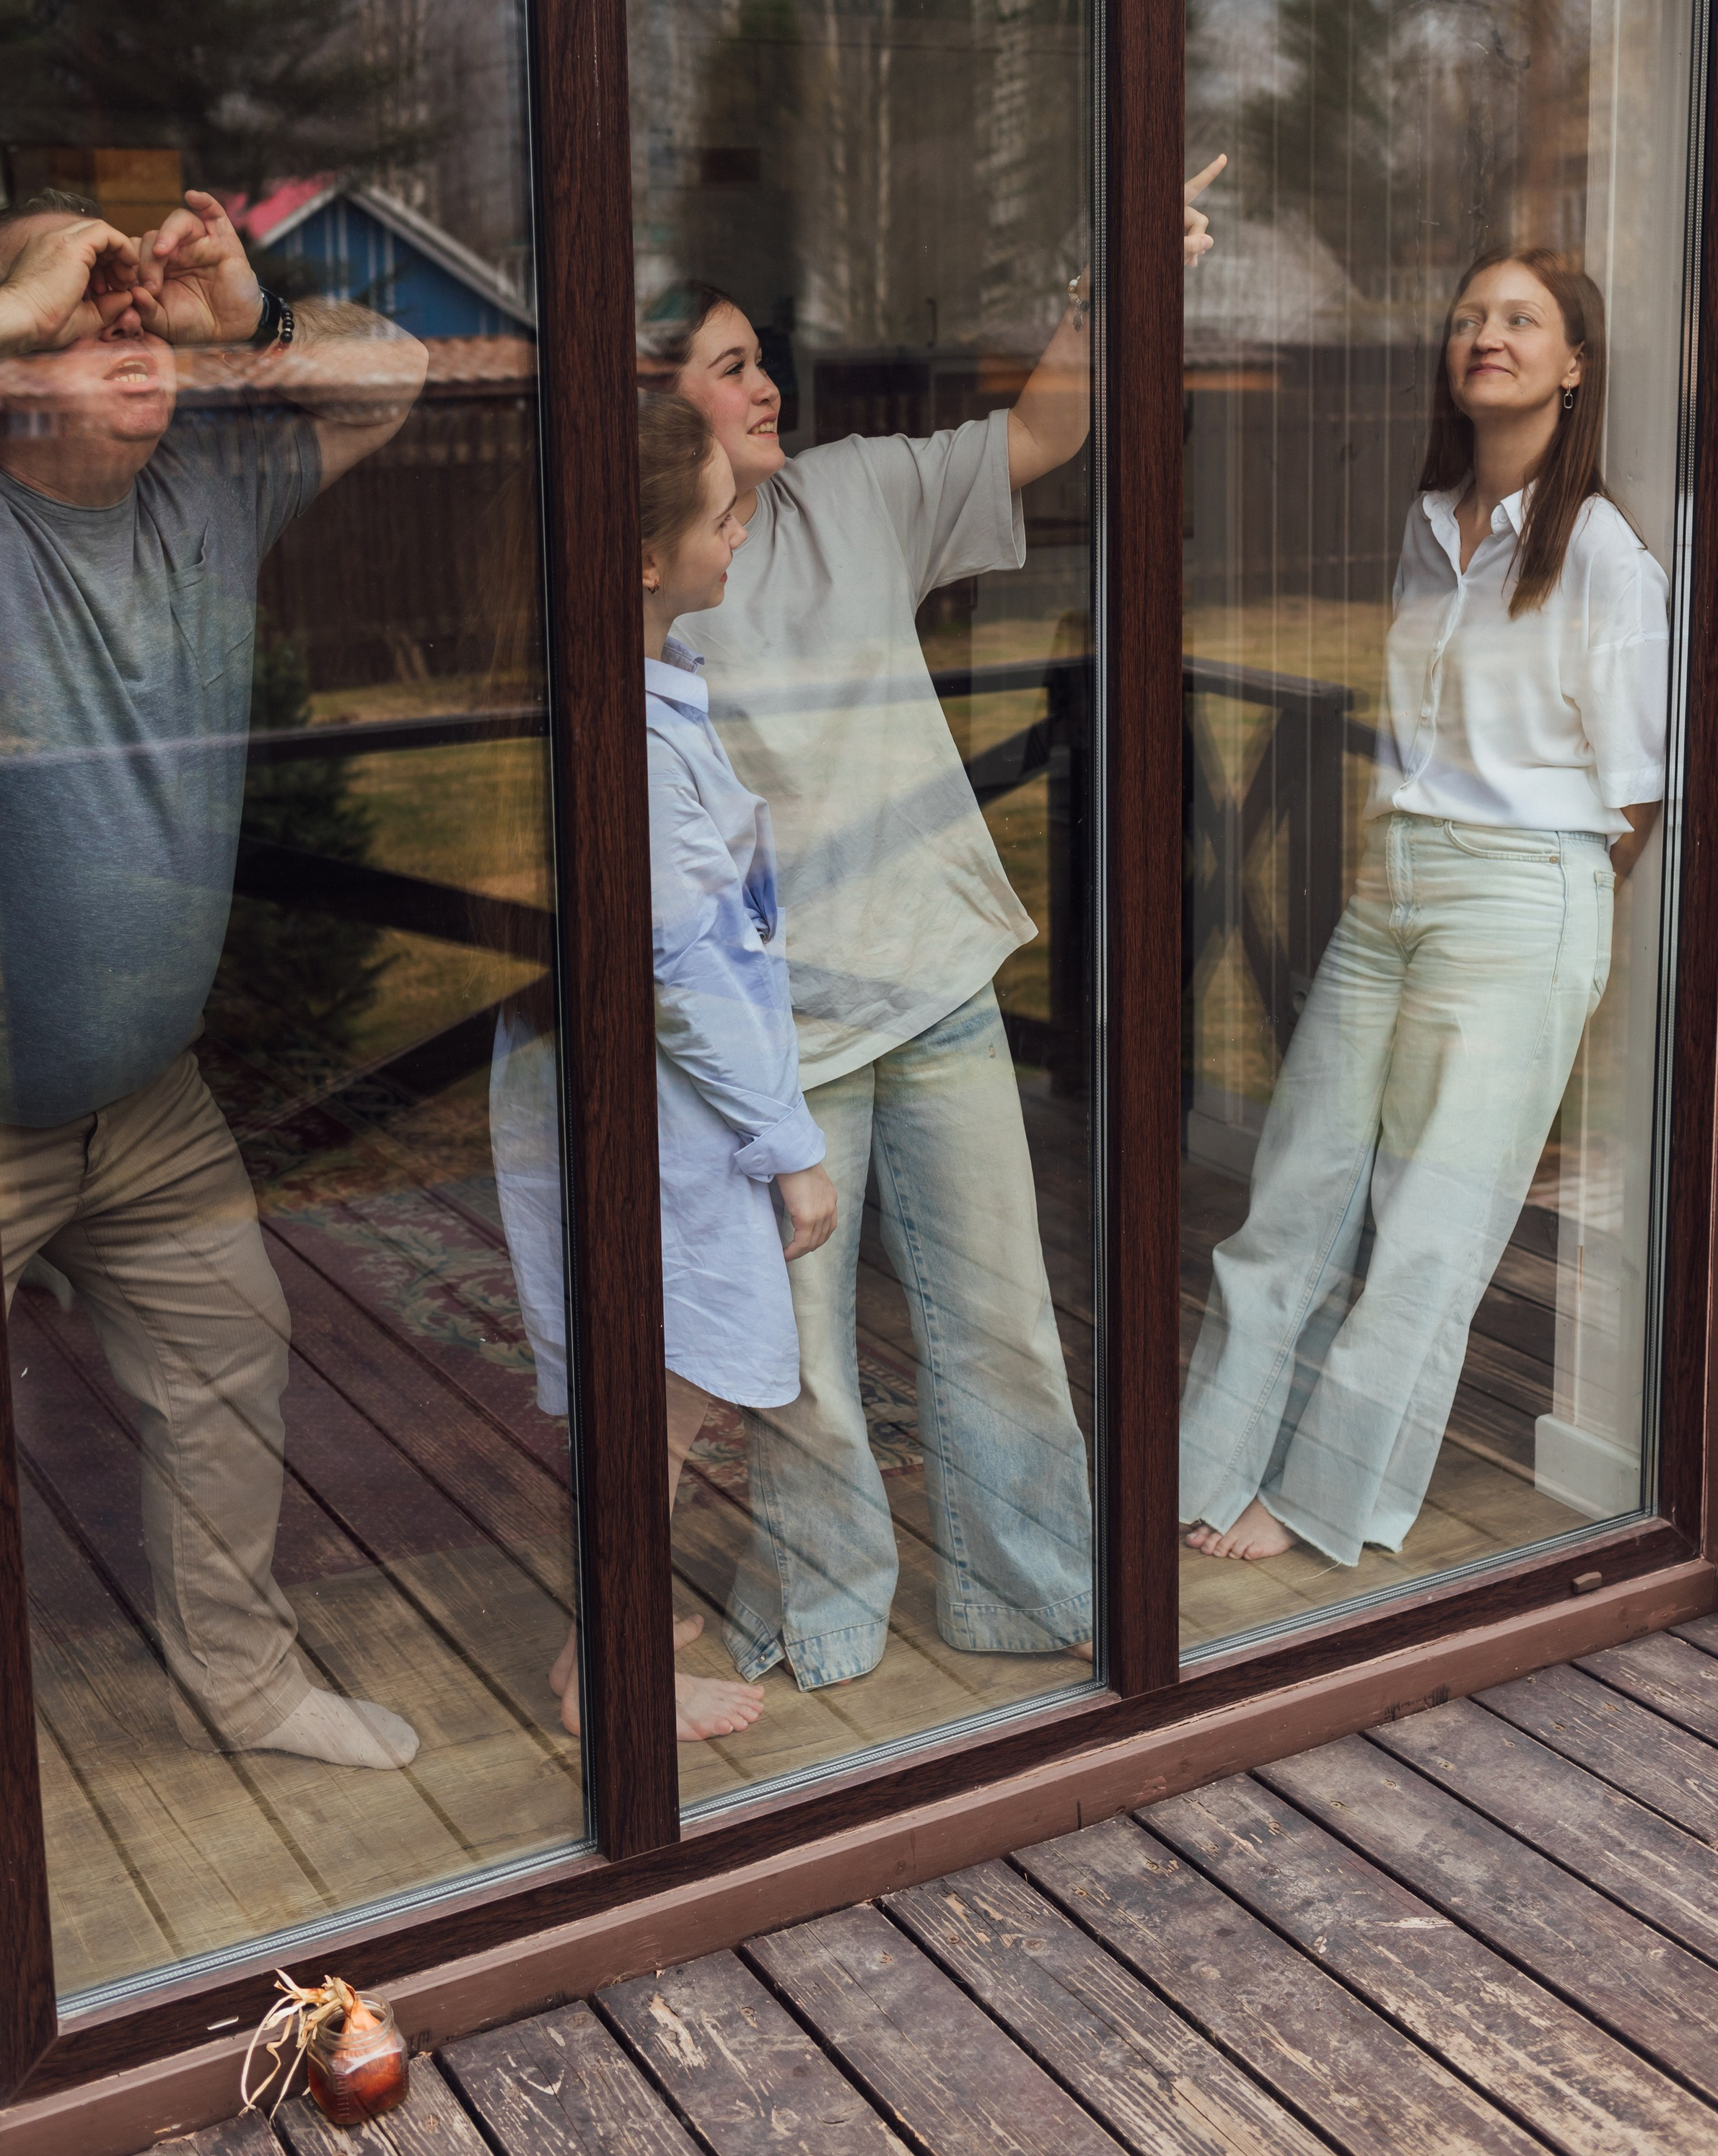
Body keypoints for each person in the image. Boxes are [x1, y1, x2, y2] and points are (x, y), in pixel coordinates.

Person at [650, 163, 1225, 1693]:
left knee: (1001, 1325)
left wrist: (1110, 282)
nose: (765, 383)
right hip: (784, 1050)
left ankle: (1030, 1594)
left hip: (939, 986)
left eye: (757, 355)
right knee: (803, 1376)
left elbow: (1045, 426)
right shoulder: (652, 581)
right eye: (728, 369)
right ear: (660, 411)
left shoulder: (851, 493)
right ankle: (827, 1625)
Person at [0, 185, 431, 1768]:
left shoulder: (205, 485)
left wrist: (248, 319)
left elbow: (400, 373)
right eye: (77, 306)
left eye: (129, 294)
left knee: (231, 1366)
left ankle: (247, 1684)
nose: (123, 314)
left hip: (149, 1103)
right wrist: (13, 316)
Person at [1180, 250, 1667, 1570]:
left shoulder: (1607, 558)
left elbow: (1636, 796)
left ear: (1575, 367)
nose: (1485, 336)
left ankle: (1323, 1499)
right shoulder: (1430, 522)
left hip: (1519, 896)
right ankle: (1207, 1463)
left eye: (1520, 320)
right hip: (1390, 884)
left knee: (1427, 1235)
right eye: (1468, 318)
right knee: (1293, 1192)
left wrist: (1532, 924)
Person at [496, 395, 840, 1740]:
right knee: (666, 1398)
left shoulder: (627, 687)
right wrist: (792, 1151)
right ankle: (609, 1675)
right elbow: (693, 969)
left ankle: (616, 1611)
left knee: (652, 1384)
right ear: (645, 558)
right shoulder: (632, 737)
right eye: (722, 512)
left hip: (620, 1091)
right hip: (668, 1116)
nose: (745, 520)